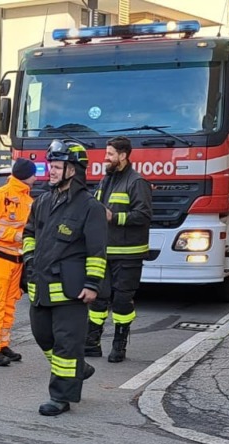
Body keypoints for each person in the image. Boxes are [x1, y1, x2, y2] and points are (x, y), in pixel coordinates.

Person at [21, 139, 107, 416]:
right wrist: (30, 260)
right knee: (42, 336)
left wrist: (92, 284)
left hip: (72, 290)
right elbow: (29, 233)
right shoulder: (43, 201)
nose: (52, 171)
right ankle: (79, 369)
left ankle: (60, 397)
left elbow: (97, 250)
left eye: (58, 167)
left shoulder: (90, 207)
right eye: (51, 166)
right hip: (41, 286)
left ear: (73, 170)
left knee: (66, 344)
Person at [88, 136, 153, 362]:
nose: (105, 158)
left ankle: (119, 345)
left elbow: (143, 215)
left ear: (123, 156)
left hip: (129, 254)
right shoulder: (106, 180)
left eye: (110, 154)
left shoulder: (137, 182)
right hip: (104, 252)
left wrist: (114, 217)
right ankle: (92, 343)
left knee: (122, 301)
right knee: (98, 299)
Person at [0, 158, 38, 367]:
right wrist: (14, 235)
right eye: (34, 174)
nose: (36, 178)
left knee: (9, 305)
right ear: (27, 175)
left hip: (15, 260)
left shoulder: (28, 200)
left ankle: (2, 345)